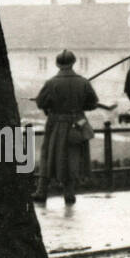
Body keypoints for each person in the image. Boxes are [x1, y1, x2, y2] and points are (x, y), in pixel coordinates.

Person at [32, 50, 100, 205]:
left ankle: (41, 191)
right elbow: (92, 103)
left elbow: (41, 103)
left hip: (55, 124)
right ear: (74, 62)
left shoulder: (50, 83)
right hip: (77, 124)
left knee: (48, 155)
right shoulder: (83, 82)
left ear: (57, 64)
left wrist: (49, 105)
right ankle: (69, 193)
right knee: (72, 157)